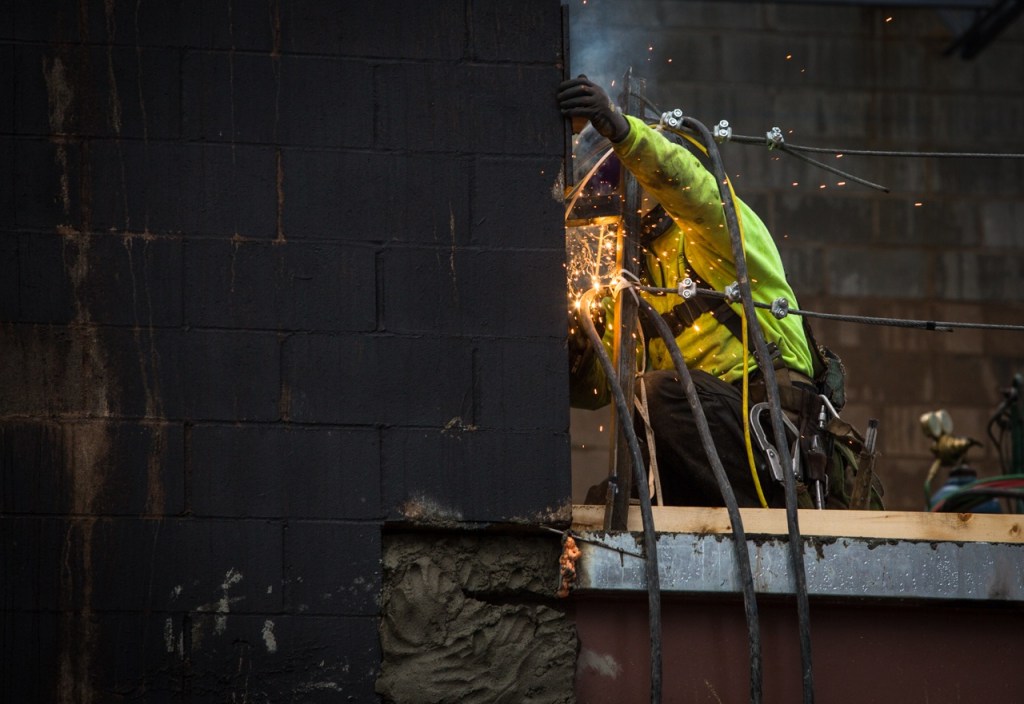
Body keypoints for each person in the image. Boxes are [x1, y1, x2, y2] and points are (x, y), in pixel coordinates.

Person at [558, 76, 830, 509]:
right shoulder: (630, 277)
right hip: (699, 450)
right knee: (609, 503)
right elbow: (599, 386)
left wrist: (623, 132)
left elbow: (689, 185)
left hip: (768, 440)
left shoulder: (717, 229)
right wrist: (570, 348)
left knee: (657, 393)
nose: (611, 197)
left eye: (617, 179)